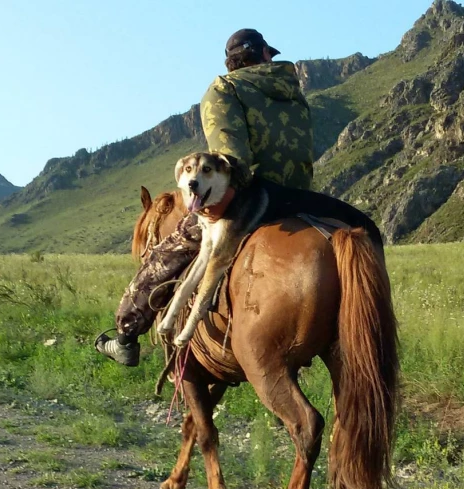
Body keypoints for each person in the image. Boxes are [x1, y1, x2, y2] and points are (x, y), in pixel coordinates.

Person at [96, 28, 314, 365]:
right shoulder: (294, 91)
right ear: (264, 56)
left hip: (251, 198)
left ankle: (126, 337)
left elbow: (230, 160)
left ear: (232, 61)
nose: (273, 58)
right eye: (269, 53)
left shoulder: (225, 89)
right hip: (300, 198)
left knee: (165, 255)